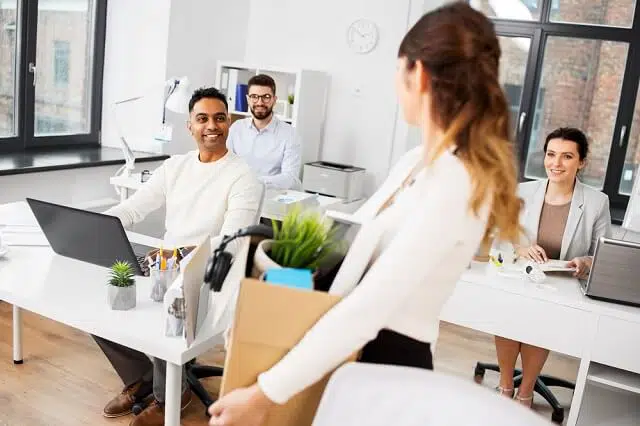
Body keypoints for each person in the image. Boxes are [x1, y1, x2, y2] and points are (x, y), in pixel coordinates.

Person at [207, 3, 523, 425]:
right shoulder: (415, 162)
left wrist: (265, 393)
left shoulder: (459, 181)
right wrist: (263, 313)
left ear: (418, 74)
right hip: (349, 358)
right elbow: (348, 260)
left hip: (389, 368)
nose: (396, 84)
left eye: (397, 71)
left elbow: (368, 308)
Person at [93, 87, 263, 426]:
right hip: (167, 259)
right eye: (202, 119)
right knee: (104, 295)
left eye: (219, 118)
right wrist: (99, 224)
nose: (211, 126)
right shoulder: (176, 166)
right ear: (190, 126)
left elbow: (228, 241)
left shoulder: (244, 177)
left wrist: (169, 258)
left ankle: (169, 394)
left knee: (166, 298)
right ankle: (141, 376)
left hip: (211, 269)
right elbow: (136, 206)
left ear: (229, 122)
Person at [494, 127, 612, 407]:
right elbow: (499, 242)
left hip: (560, 288)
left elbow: (602, 256)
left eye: (567, 156)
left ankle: (526, 392)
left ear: (581, 162)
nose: (556, 163)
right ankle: (505, 385)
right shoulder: (523, 192)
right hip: (519, 279)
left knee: (540, 321)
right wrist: (521, 249)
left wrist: (584, 262)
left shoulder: (597, 202)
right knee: (506, 314)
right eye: (551, 154)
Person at [226, 74, 302, 190]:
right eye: (254, 96)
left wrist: (253, 182)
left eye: (266, 97)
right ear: (248, 99)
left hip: (272, 197)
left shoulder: (289, 134)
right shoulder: (236, 128)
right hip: (239, 193)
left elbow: (290, 178)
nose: (260, 102)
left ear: (274, 100)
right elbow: (226, 165)